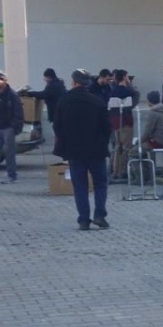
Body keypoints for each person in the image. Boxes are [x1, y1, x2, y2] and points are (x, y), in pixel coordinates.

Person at [54, 69, 111, 231]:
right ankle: (99, 215)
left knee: (80, 185)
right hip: (96, 150)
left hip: (74, 151)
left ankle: (84, 220)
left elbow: (57, 126)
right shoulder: (97, 101)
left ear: (73, 82)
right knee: (100, 183)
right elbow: (107, 127)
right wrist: (102, 142)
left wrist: (66, 142)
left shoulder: (64, 101)